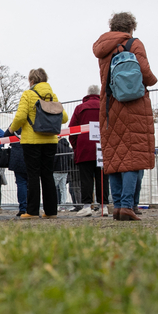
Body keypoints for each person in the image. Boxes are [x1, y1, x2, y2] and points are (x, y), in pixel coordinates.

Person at [93, 12, 157, 221]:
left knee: (114, 157)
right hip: (133, 106)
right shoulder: (134, 43)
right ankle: (128, 205)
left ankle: (119, 206)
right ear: (130, 27)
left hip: (109, 105)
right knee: (133, 157)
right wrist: (153, 80)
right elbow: (145, 73)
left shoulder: (103, 48)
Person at [8, 68, 68, 220]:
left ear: (32, 81)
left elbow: (21, 116)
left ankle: (32, 211)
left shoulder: (28, 94)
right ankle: (51, 211)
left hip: (32, 141)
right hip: (50, 140)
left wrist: (12, 128)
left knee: (33, 175)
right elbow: (64, 117)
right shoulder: (52, 95)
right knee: (47, 175)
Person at [69, 85, 109, 217]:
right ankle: (104, 206)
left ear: (87, 94)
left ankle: (87, 206)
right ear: (99, 94)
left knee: (85, 179)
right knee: (102, 178)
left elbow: (72, 131)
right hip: (102, 147)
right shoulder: (104, 106)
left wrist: (77, 147)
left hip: (84, 148)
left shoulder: (80, 108)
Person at [54, 137, 73, 209]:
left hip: (56, 170)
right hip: (65, 171)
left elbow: (55, 159)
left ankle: (52, 204)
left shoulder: (57, 146)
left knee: (53, 187)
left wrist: (51, 168)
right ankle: (63, 205)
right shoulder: (68, 148)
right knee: (63, 189)